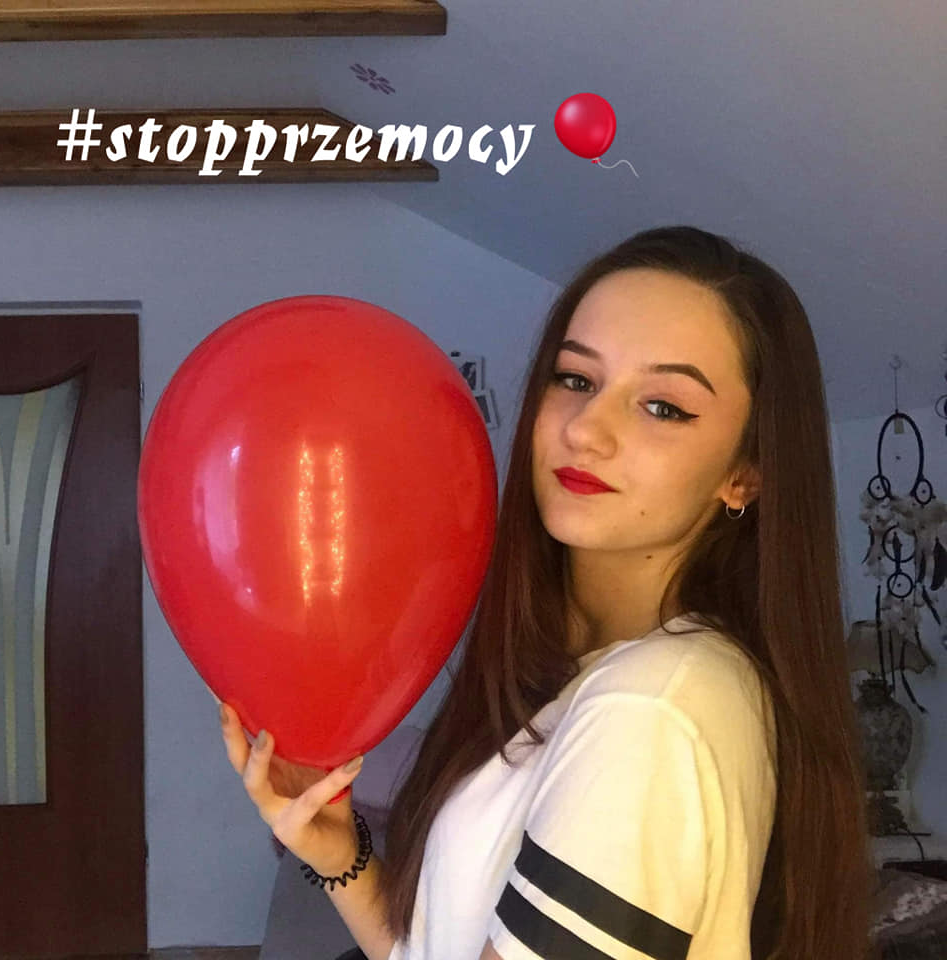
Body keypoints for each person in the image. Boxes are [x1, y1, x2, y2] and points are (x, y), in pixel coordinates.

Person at [219, 225, 878, 960]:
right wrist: (342, 857)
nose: (587, 430)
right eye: (576, 380)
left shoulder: (648, 708)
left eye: (663, 406)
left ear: (744, 474)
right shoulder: (623, 678)